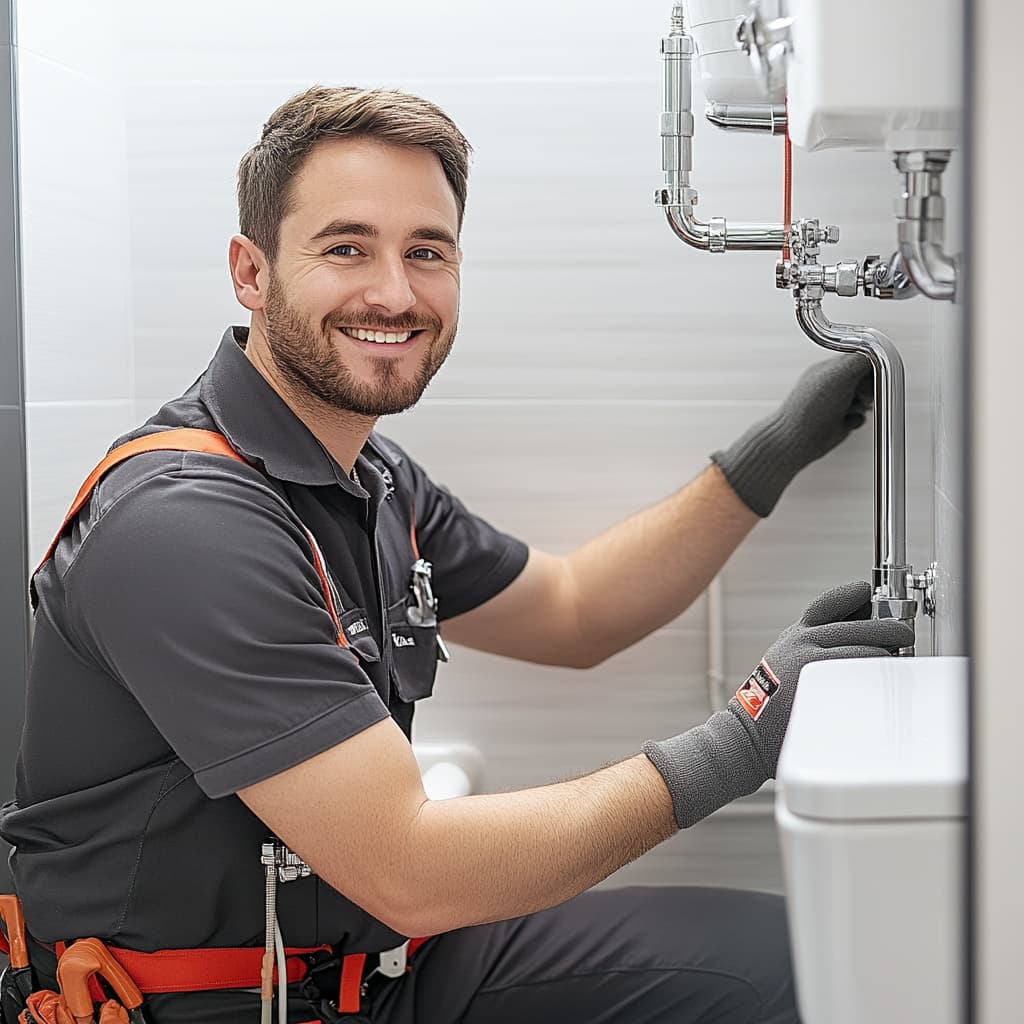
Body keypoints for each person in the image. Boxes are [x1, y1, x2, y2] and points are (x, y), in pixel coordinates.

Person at [0, 86, 913, 1024]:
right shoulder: (184, 525)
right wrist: (749, 735)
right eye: (346, 247)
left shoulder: (371, 478)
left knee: (805, 964)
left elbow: (574, 611)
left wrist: (775, 452)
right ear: (251, 271)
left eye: (425, 252)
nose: (394, 293)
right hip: (209, 1006)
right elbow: (410, 868)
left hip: (372, 970)